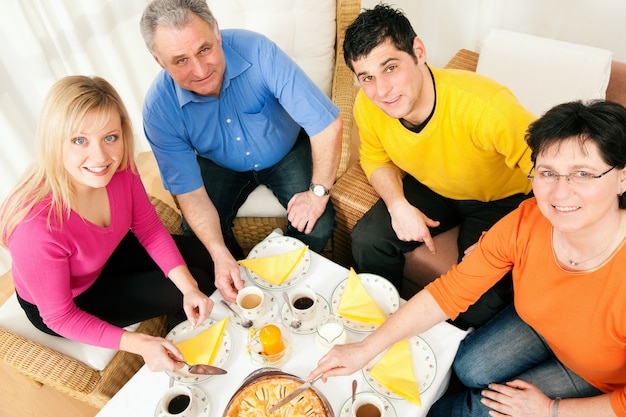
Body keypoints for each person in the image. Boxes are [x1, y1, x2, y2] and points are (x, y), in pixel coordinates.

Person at [311, 100, 626, 417]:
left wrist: (550, 409)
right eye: (547, 173)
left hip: (600, 377)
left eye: (582, 174)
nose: (560, 193)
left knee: (479, 409)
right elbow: (450, 291)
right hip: (539, 326)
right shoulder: (527, 220)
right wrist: (365, 348)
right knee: (467, 367)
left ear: (623, 178)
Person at [0, 75, 217, 373]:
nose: (101, 157)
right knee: (196, 284)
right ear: (54, 142)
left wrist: (187, 286)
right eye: (80, 140)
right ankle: (183, 348)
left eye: (110, 137)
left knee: (202, 258)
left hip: (100, 257)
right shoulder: (35, 229)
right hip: (69, 300)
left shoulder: (120, 167)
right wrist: (141, 343)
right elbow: (60, 317)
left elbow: (150, 228)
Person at [344, 4, 536, 328]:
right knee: (368, 238)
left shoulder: (487, 107)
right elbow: (374, 158)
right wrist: (397, 204)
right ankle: (379, 329)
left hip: (501, 200)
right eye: (367, 77)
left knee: (479, 299)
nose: (381, 91)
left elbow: (555, 175)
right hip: (432, 185)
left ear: (418, 51)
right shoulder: (368, 104)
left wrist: (509, 235)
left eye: (390, 68)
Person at [139, 0, 343, 302]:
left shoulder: (259, 52)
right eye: (180, 61)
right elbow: (190, 194)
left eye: (204, 49)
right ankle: (243, 288)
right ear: (160, 62)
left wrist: (317, 194)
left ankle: (283, 285)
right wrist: (220, 254)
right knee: (201, 240)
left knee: (319, 221)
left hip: (286, 151)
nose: (199, 70)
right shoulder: (159, 110)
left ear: (217, 33)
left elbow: (326, 124)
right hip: (220, 165)